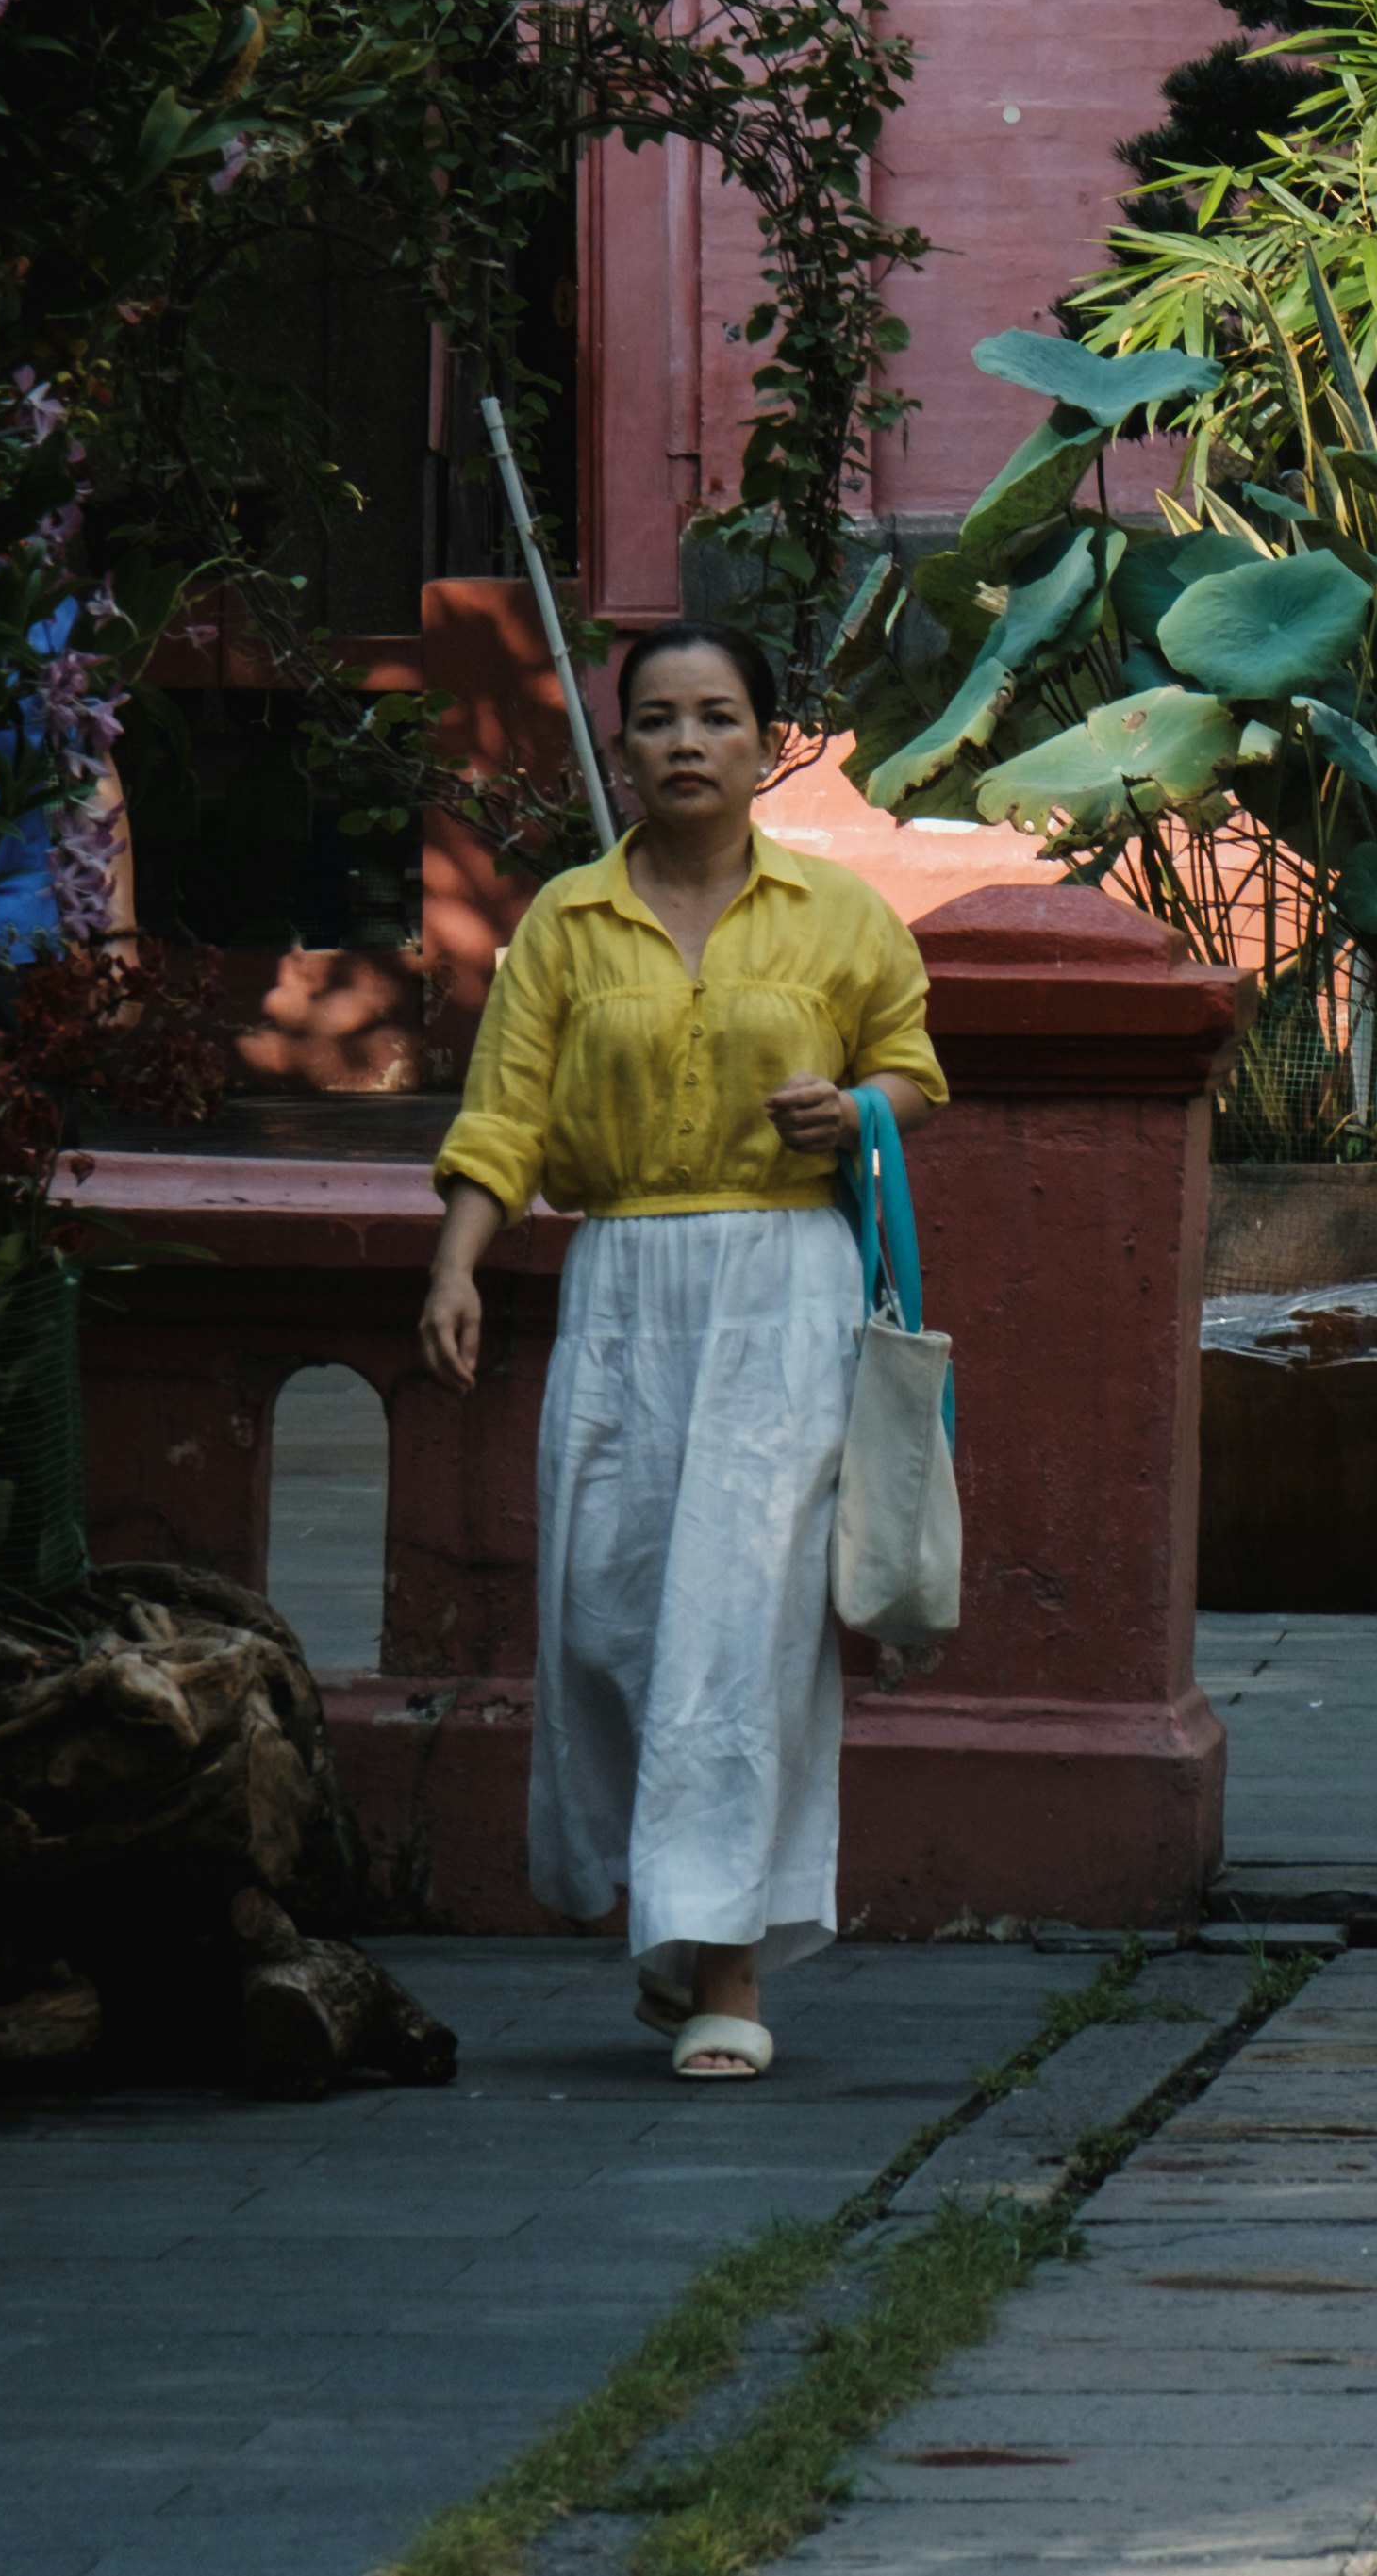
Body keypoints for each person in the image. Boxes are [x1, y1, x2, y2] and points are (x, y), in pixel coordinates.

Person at [414, 624, 945, 2084]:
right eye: (657, 719)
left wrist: (857, 1107)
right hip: (624, 1281)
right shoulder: (566, 928)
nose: (686, 741)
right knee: (607, 1615)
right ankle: (666, 1928)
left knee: (742, 1623)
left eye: (717, 715)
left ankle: (729, 1973)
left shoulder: (839, 916)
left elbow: (914, 1060)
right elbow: (503, 1118)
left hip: (785, 1279)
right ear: (622, 746)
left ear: (769, 742)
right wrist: (456, 1261)